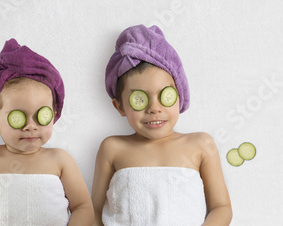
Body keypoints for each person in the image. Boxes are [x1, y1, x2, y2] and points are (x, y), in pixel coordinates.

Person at [92, 25, 232, 226]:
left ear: (180, 95)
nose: (154, 108)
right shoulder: (112, 148)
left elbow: (221, 207)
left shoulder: (201, 144)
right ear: (119, 106)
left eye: (165, 96)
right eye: (139, 99)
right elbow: (94, 210)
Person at [0, 39, 94, 226]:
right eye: (18, 117)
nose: (31, 126)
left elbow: (83, 206)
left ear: (53, 116)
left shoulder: (61, 160)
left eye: (41, 116)